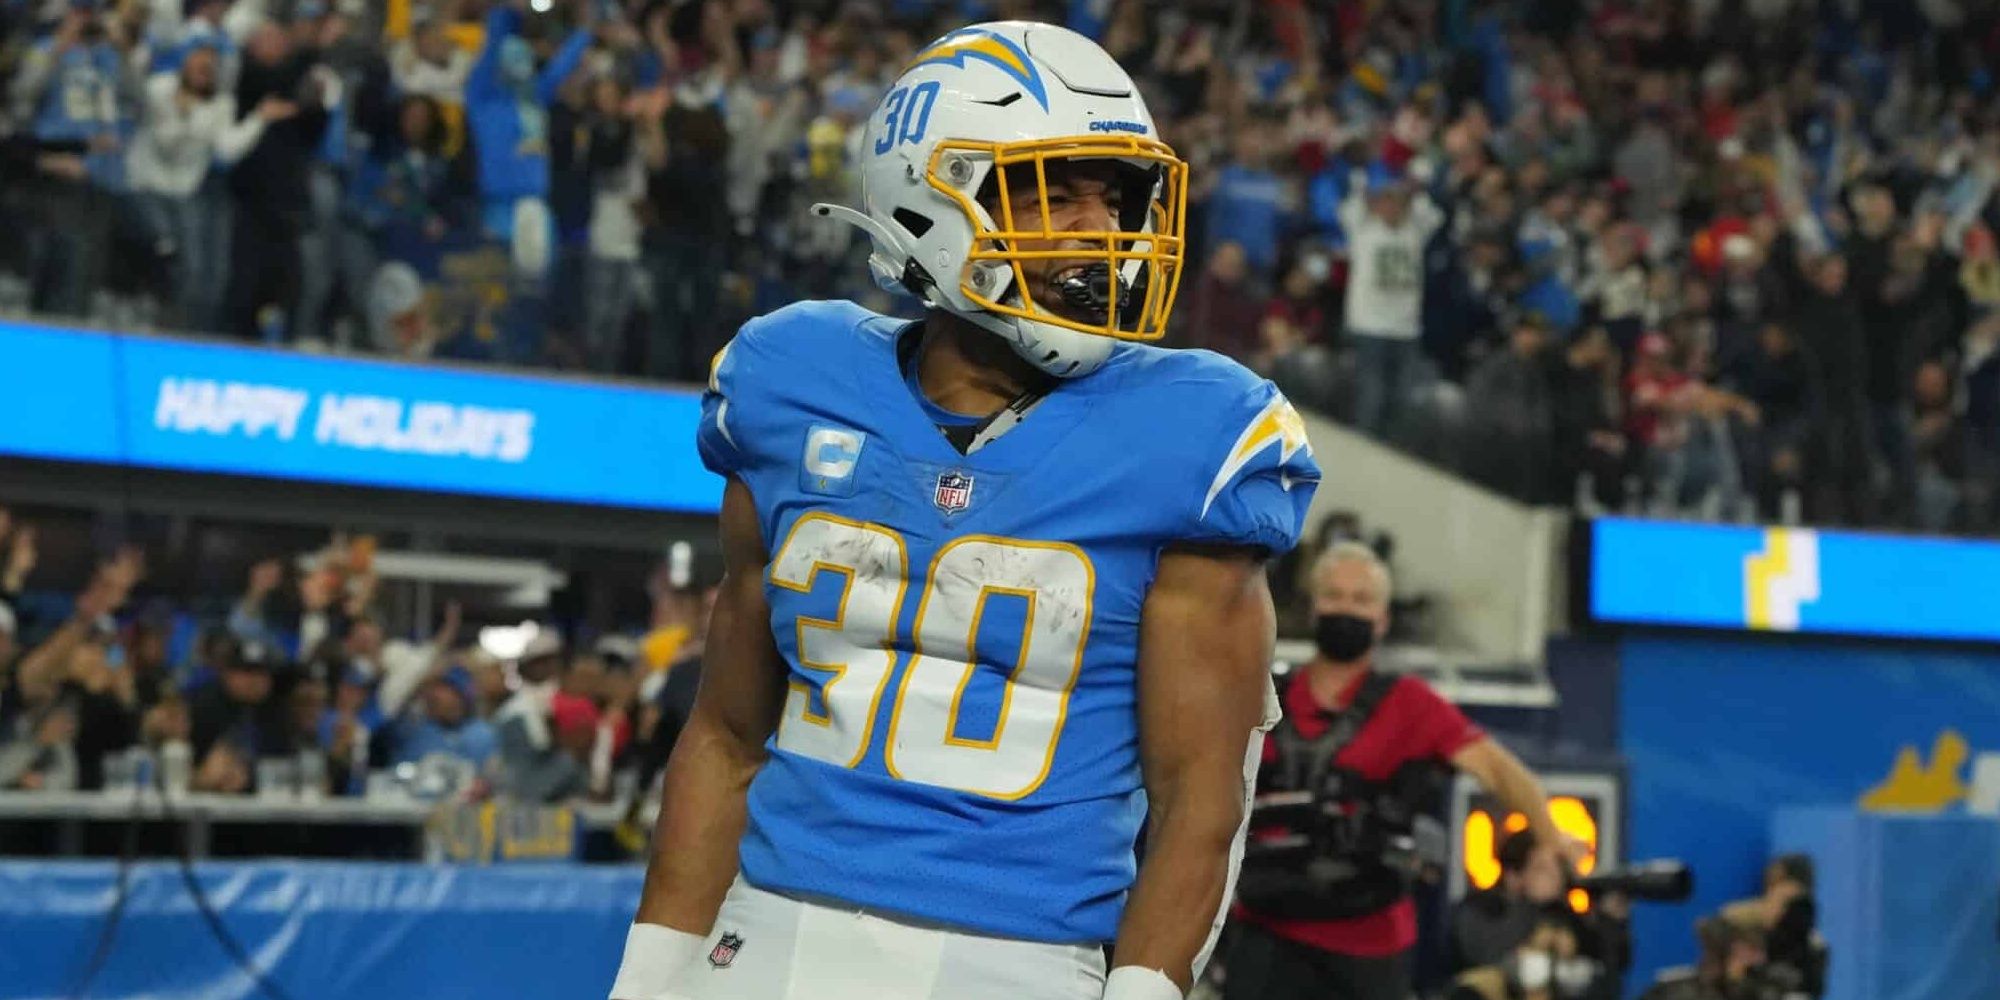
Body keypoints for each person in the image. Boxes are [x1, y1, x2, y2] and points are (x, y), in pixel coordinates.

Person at [609, 21, 1319, 1000]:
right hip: (763, 936)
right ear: (926, 195)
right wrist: (644, 980)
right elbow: (727, 733)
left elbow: (1202, 797)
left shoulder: (1193, 436)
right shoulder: (790, 381)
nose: (1098, 230)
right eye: (1053, 192)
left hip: (1017, 961)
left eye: (1108, 198)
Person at [1224, 543, 1586, 1000]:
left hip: (1370, 943)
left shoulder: (1410, 705)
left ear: (1383, 618)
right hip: (1265, 934)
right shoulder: (1263, 693)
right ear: (1311, 605)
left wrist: (1552, 839)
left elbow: (1500, 771)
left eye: (1361, 599)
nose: (1346, 608)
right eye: (1333, 595)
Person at [1449, 829, 1631, 997]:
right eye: (1541, 868)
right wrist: (1530, 904)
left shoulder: (1563, 917)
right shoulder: (1479, 909)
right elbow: (1493, 958)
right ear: (1513, 876)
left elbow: (1611, 972)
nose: (1554, 875)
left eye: (1557, 867)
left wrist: (1609, 921)